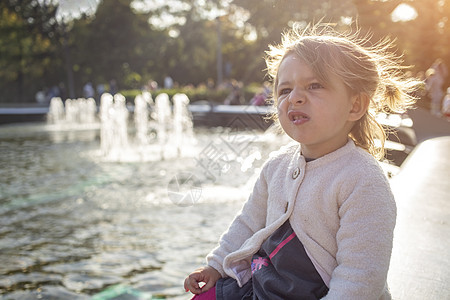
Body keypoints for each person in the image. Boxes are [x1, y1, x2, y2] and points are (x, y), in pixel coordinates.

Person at [184, 23, 421, 299]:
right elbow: (247, 223)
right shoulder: (276, 166)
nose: (294, 98)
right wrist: (215, 266)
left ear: (355, 105)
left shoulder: (362, 180)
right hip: (266, 284)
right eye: (284, 90)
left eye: (314, 85)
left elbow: (360, 277)